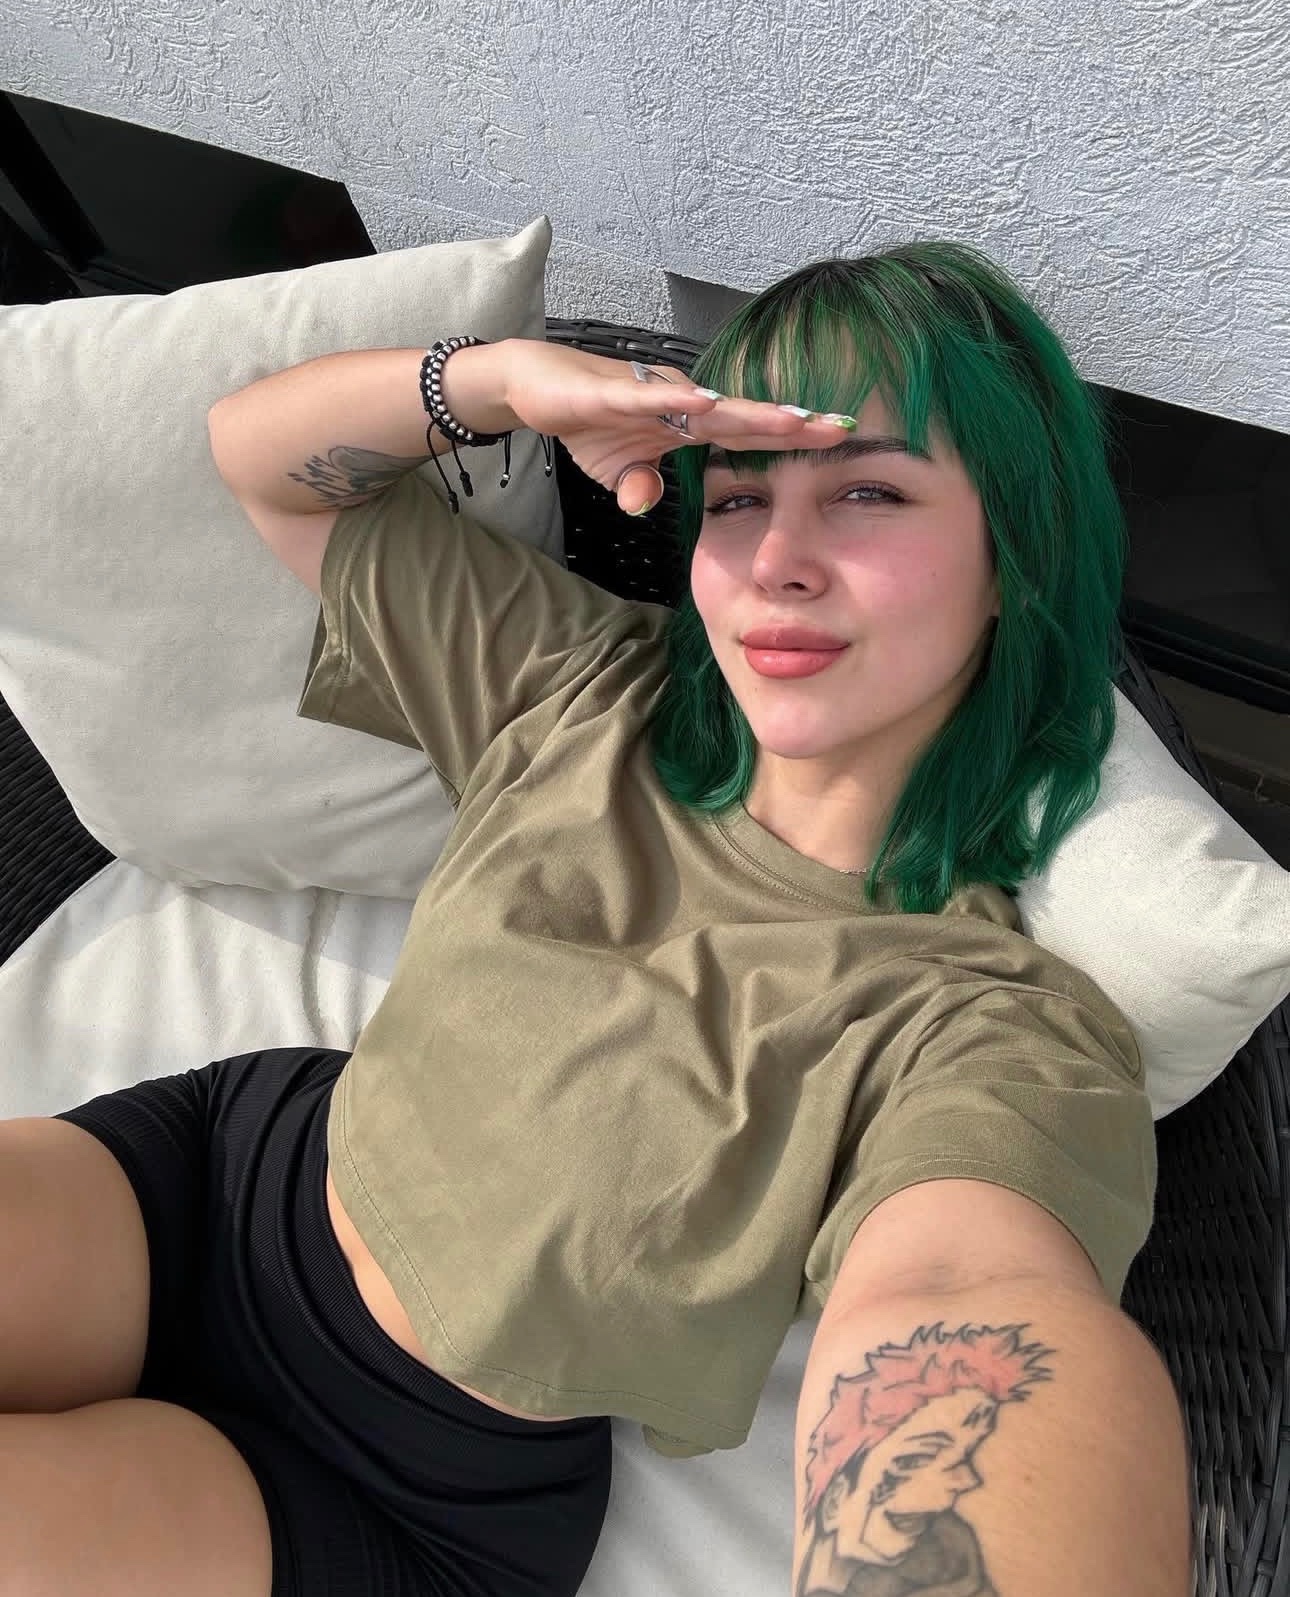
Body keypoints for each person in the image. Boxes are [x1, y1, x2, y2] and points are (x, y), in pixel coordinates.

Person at [0, 241, 1190, 1597]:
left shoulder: (980, 1025)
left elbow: (965, 1300)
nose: (777, 560)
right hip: (214, 1189)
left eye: (867, 490)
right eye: (738, 496)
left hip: (407, 1486)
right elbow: (264, 460)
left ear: (1010, 560)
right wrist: (497, 384)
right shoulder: (581, 687)